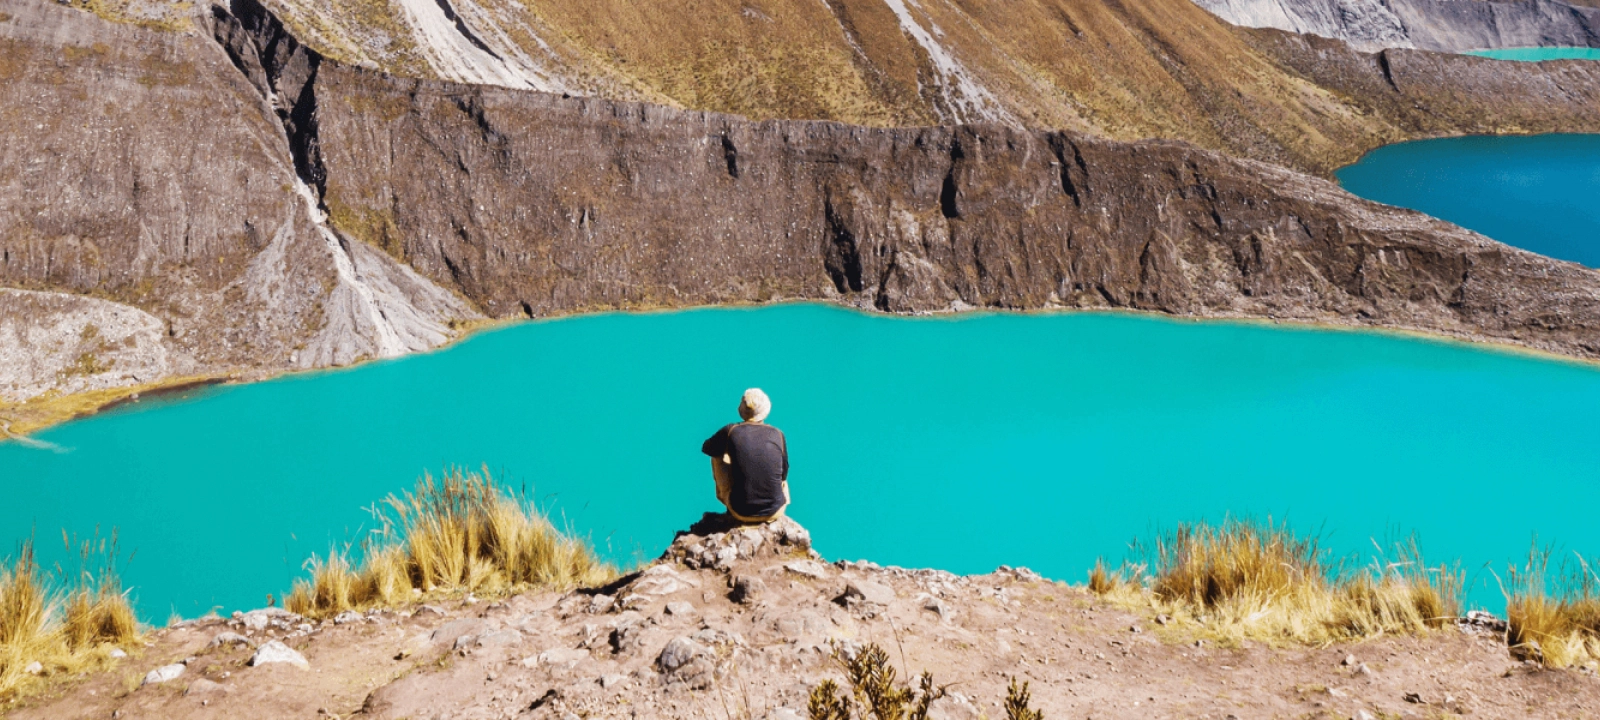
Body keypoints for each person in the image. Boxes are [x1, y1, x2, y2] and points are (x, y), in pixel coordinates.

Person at [700, 388, 789, 523]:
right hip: (775, 511)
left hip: (740, 511)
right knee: (778, 470)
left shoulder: (731, 430)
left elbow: (707, 448)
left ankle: (731, 498)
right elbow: (784, 473)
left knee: (717, 455)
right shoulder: (778, 434)